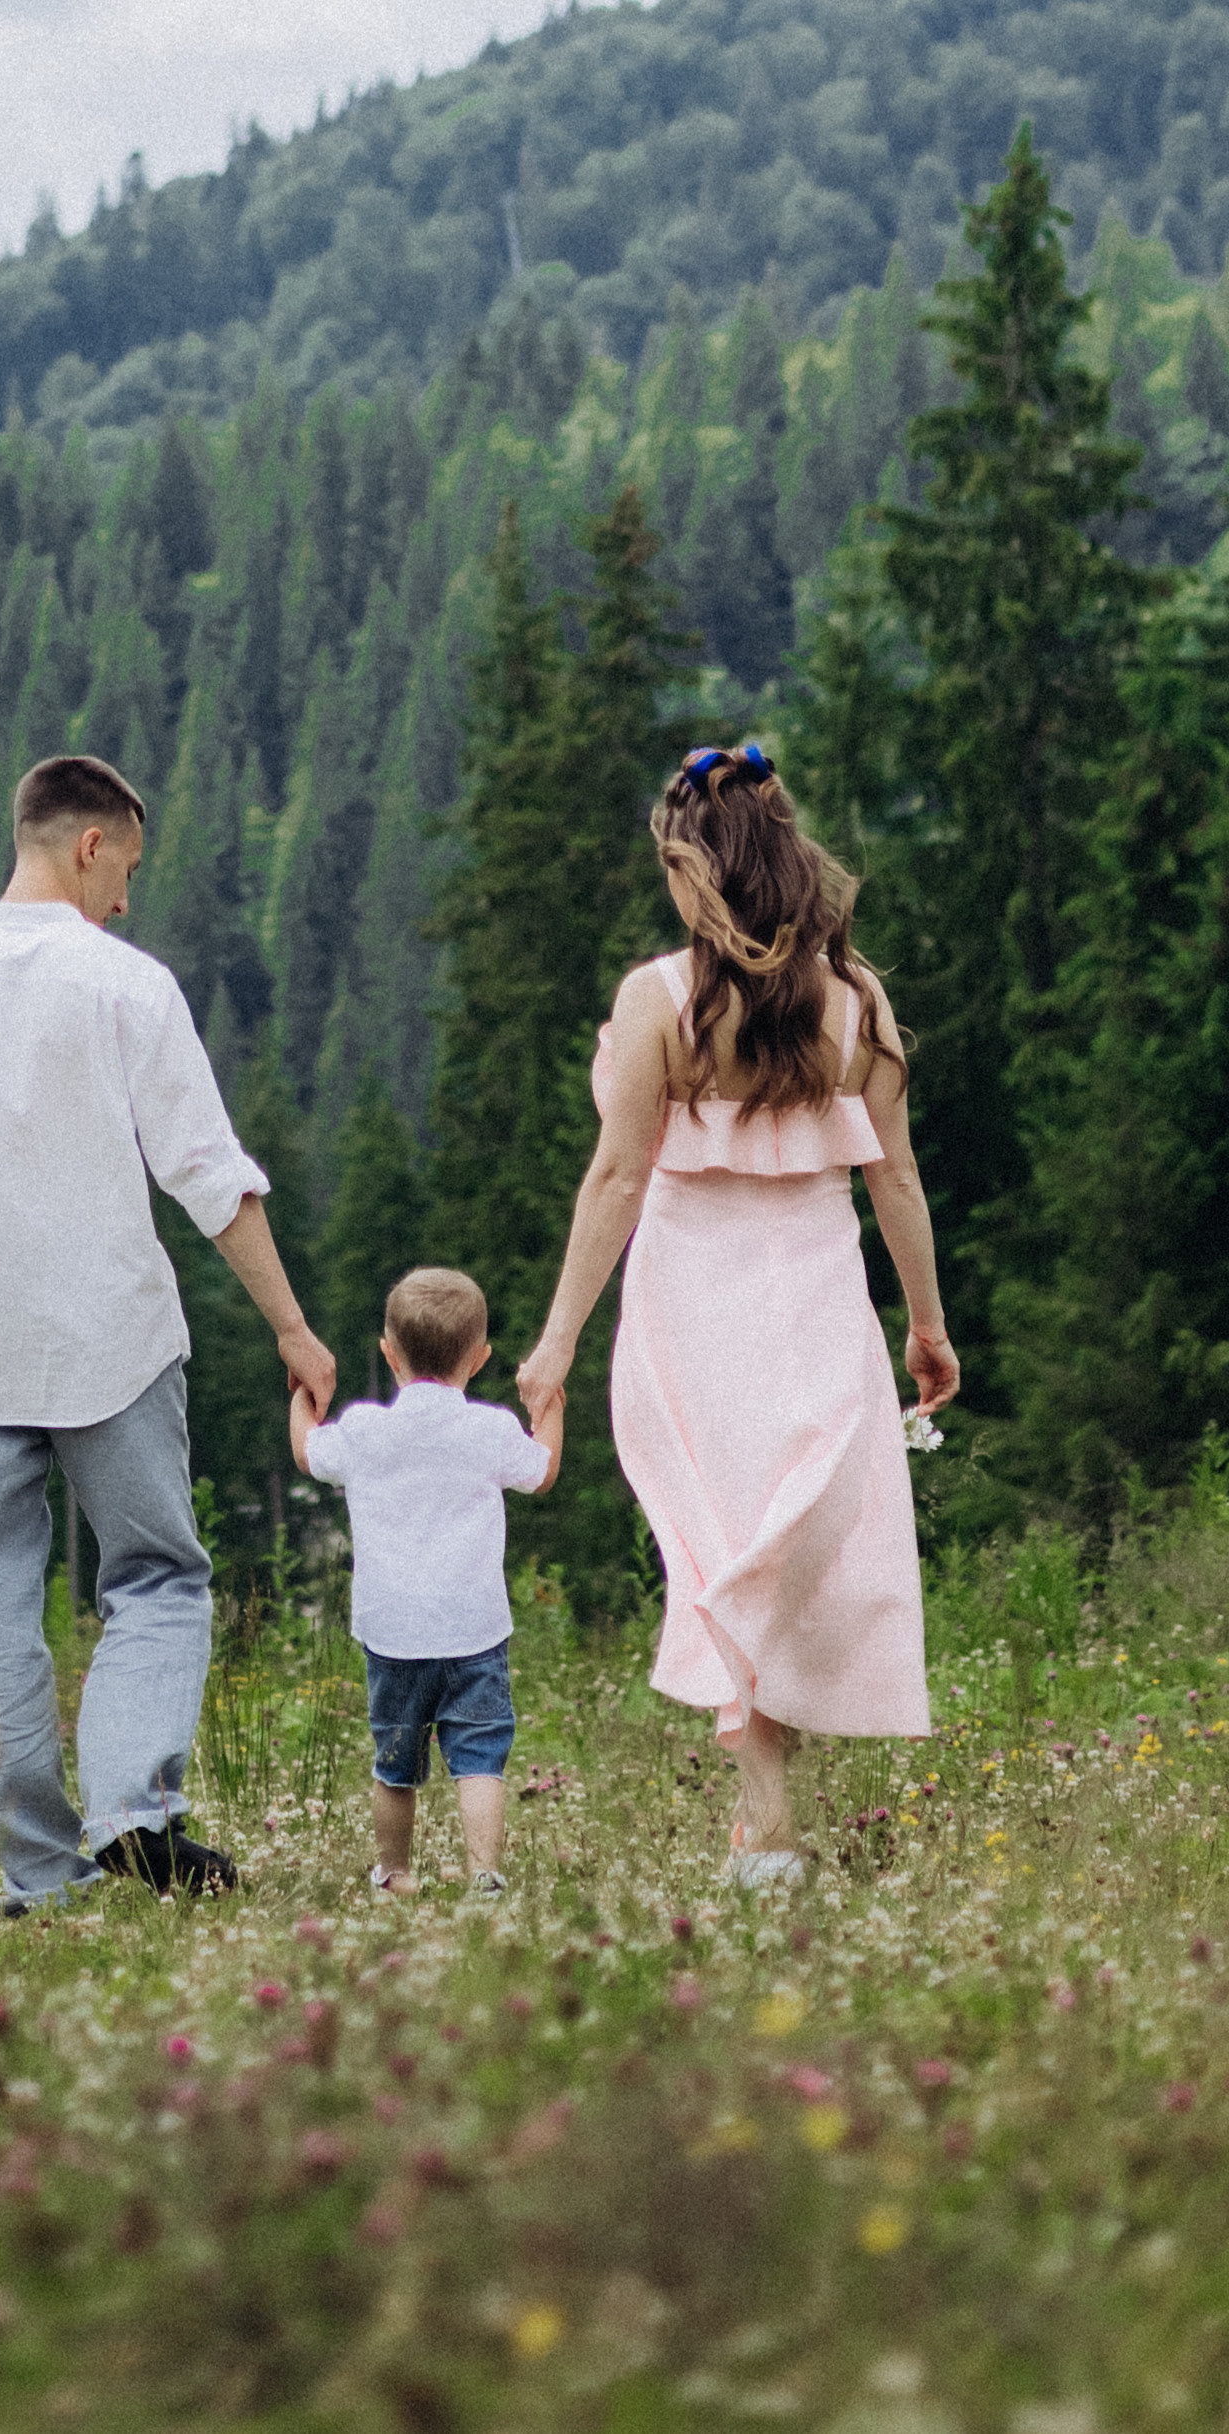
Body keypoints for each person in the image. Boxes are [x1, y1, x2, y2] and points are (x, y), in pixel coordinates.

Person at [0, 751, 337, 1912]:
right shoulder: (128, 987)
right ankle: (133, 1811)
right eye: (128, 872)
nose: (127, 901)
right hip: (112, 1344)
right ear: (90, 844)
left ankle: (36, 1879)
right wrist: (294, 1331)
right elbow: (212, 1180)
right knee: (157, 1578)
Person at [516, 744, 957, 1887]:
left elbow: (614, 1179)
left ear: (690, 868)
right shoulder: (858, 1001)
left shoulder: (654, 999)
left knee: (728, 1539)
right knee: (795, 1533)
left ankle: (763, 1820)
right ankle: (765, 1822)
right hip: (815, 1290)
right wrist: (926, 1324)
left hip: (686, 1308)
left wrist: (556, 1340)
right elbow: (894, 1175)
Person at [292, 1267, 563, 1896]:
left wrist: (304, 1399)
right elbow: (541, 1471)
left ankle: (394, 1873)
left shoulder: (362, 1430)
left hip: (393, 1635)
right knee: (480, 1760)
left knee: (396, 1767)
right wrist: (550, 1407)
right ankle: (485, 1875)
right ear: (481, 1358)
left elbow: (308, 1453)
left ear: (388, 1354)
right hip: (475, 1631)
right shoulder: (491, 1430)